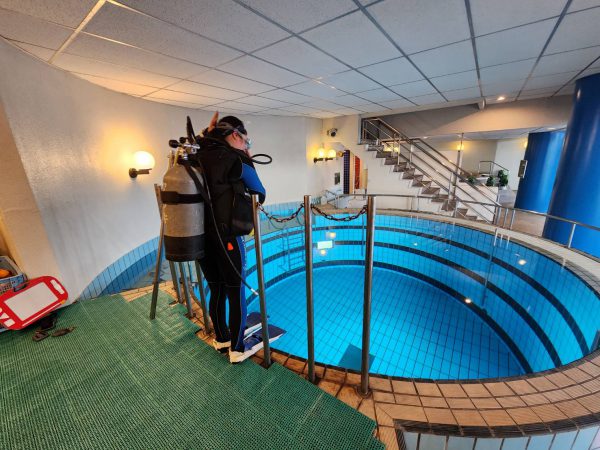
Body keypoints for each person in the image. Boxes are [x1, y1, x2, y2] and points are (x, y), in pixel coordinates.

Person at [194, 113, 266, 364]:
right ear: (235, 135)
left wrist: (206, 134)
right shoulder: (236, 159)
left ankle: (222, 338)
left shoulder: (197, 155)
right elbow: (260, 192)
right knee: (235, 292)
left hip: (200, 237)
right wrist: (247, 156)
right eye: (246, 140)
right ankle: (237, 349)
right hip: (228, 238)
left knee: (217, 288)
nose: (246, 145)